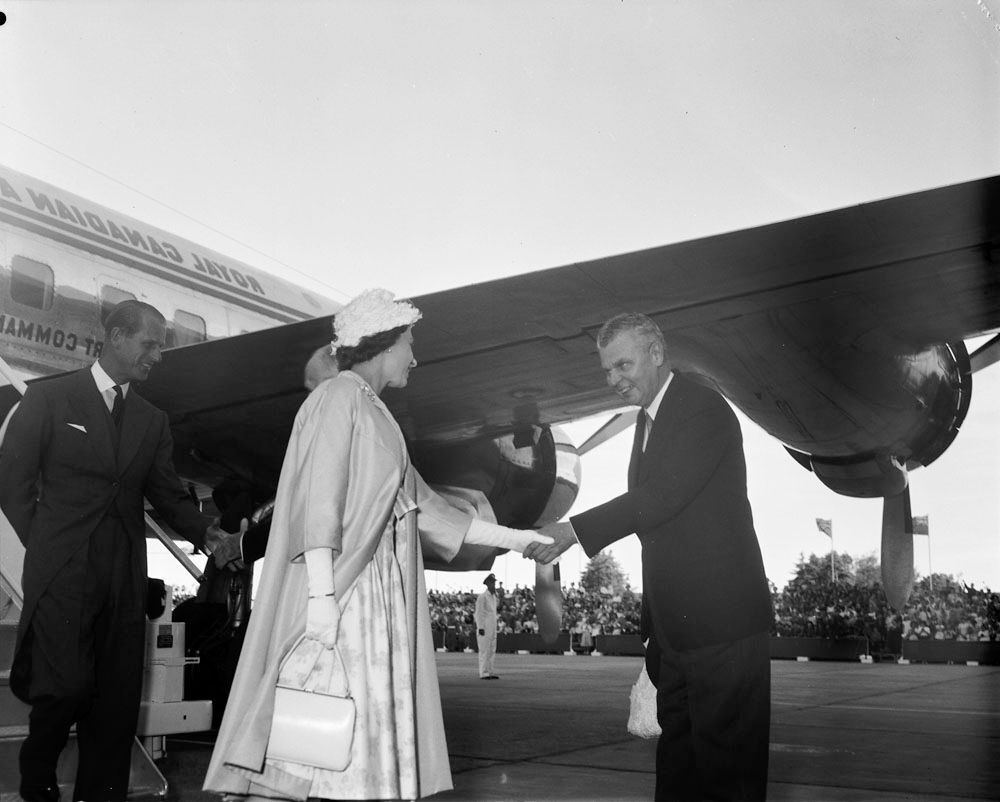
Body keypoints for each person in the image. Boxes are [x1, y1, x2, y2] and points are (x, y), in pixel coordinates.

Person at [203, 288, 551, 801]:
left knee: (348, 724)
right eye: (409, 342)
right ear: (382, 344)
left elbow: (437, 513)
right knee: (315, 725)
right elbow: (319, 501)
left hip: (372, 595)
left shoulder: (377, 413)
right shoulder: (337, 396)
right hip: (343, 592)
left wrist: (520, 540)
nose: (415, 355)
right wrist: (321, 599)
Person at [0, 300, 243, 802]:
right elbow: (13, 482)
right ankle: (37, 778)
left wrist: (208, 534)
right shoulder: (51, 399)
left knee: (114, 704)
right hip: (63, 570)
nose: (157, 356)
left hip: (123, 574)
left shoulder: (152, 420)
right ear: (115, 336)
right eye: (149, 344)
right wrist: (46, 544)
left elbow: (169, 495)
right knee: (64, 687)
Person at [527, 312, 773, 802]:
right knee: (678, 770)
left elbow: (661, 498)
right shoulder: (647, 422)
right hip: (676, 635)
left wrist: (574, 529)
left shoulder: (700, 407)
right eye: (606, 371)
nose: (614, 380)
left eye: (623, 365)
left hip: (723, 629)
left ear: (657, 354)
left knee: (729, 776)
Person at [475, 573, 499, 679]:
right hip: (484, 628)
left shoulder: (494, 597)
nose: (494, 585)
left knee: (491, 649)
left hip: (492, 627)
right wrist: (480, 627)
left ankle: (490, 671)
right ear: (488, 584)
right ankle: (483, 672)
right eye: (492, 583)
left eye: (494, 583)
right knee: (484, 650)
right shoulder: (482, 597)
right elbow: (479, 613)